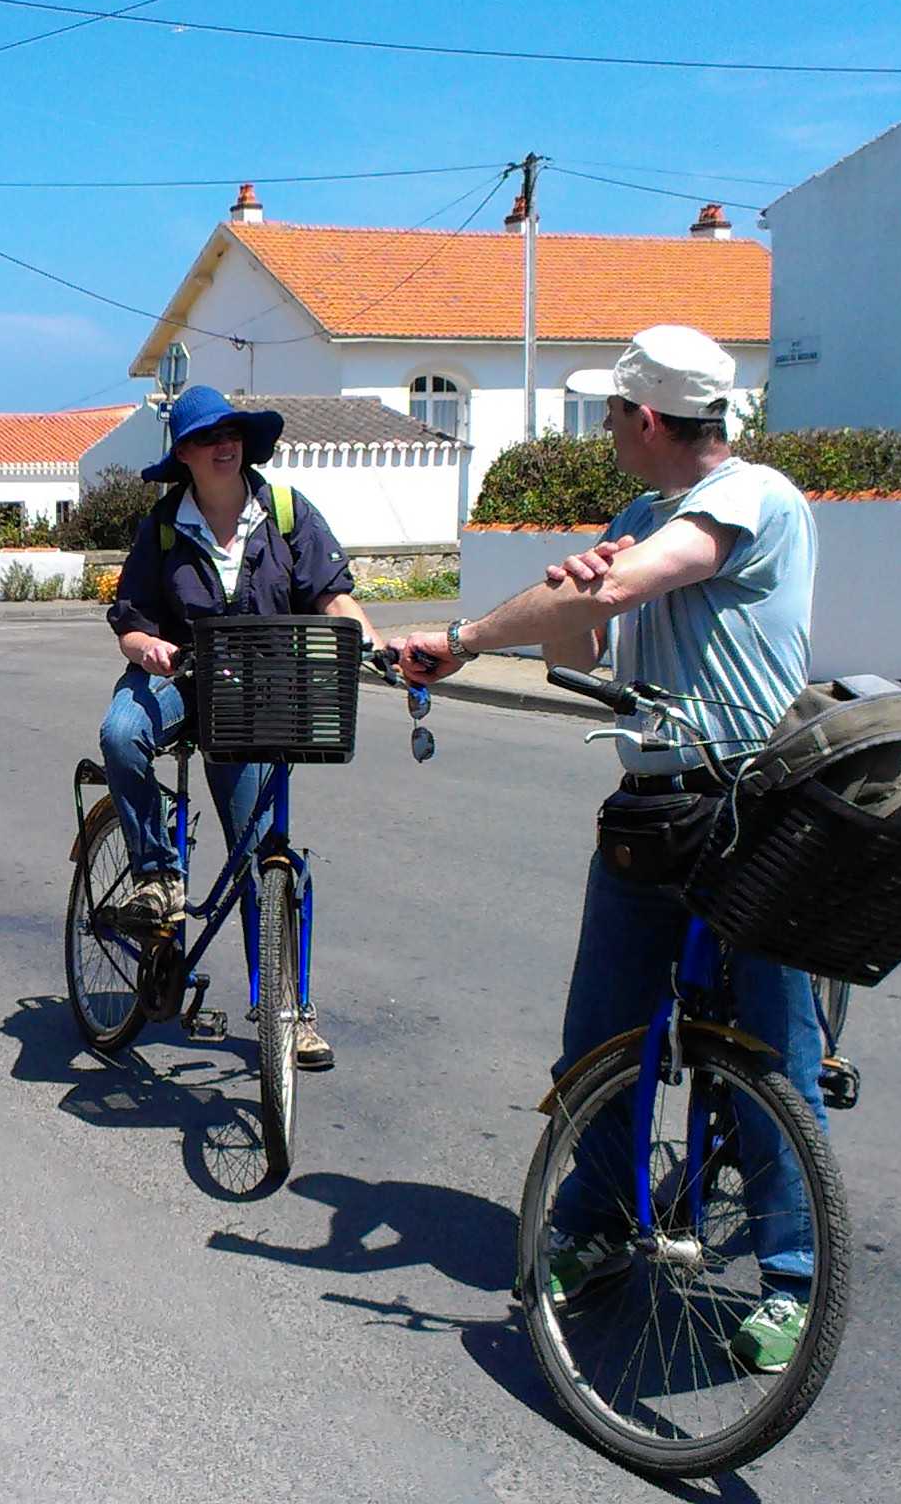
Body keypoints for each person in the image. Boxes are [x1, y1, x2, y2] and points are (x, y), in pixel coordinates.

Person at [389, 324, 822, 1371]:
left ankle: (795, 1277)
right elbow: (585, 642)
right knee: (600, 1041)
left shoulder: (754, 499)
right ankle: (596, 1224)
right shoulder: (637, 517)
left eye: (613, 414)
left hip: (752, 804)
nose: (607, 432)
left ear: (647, 417)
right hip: (651, 809)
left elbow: (634, 585)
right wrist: (573, 589)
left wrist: (460, 640)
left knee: (774, 1055)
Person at [101, 386, 379, 1071]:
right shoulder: (163, 526)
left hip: (255, 694)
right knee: (120, 733)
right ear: (184, 455)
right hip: (178, 678)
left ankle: (288, 1011)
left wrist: (371, 641)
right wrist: (148, 647)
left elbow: (332, 595)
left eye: (230, 433)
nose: (222, 445)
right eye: (205, 437)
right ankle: (157, 877)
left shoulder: (284, 512)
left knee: (262, 859)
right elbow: (130, 620)